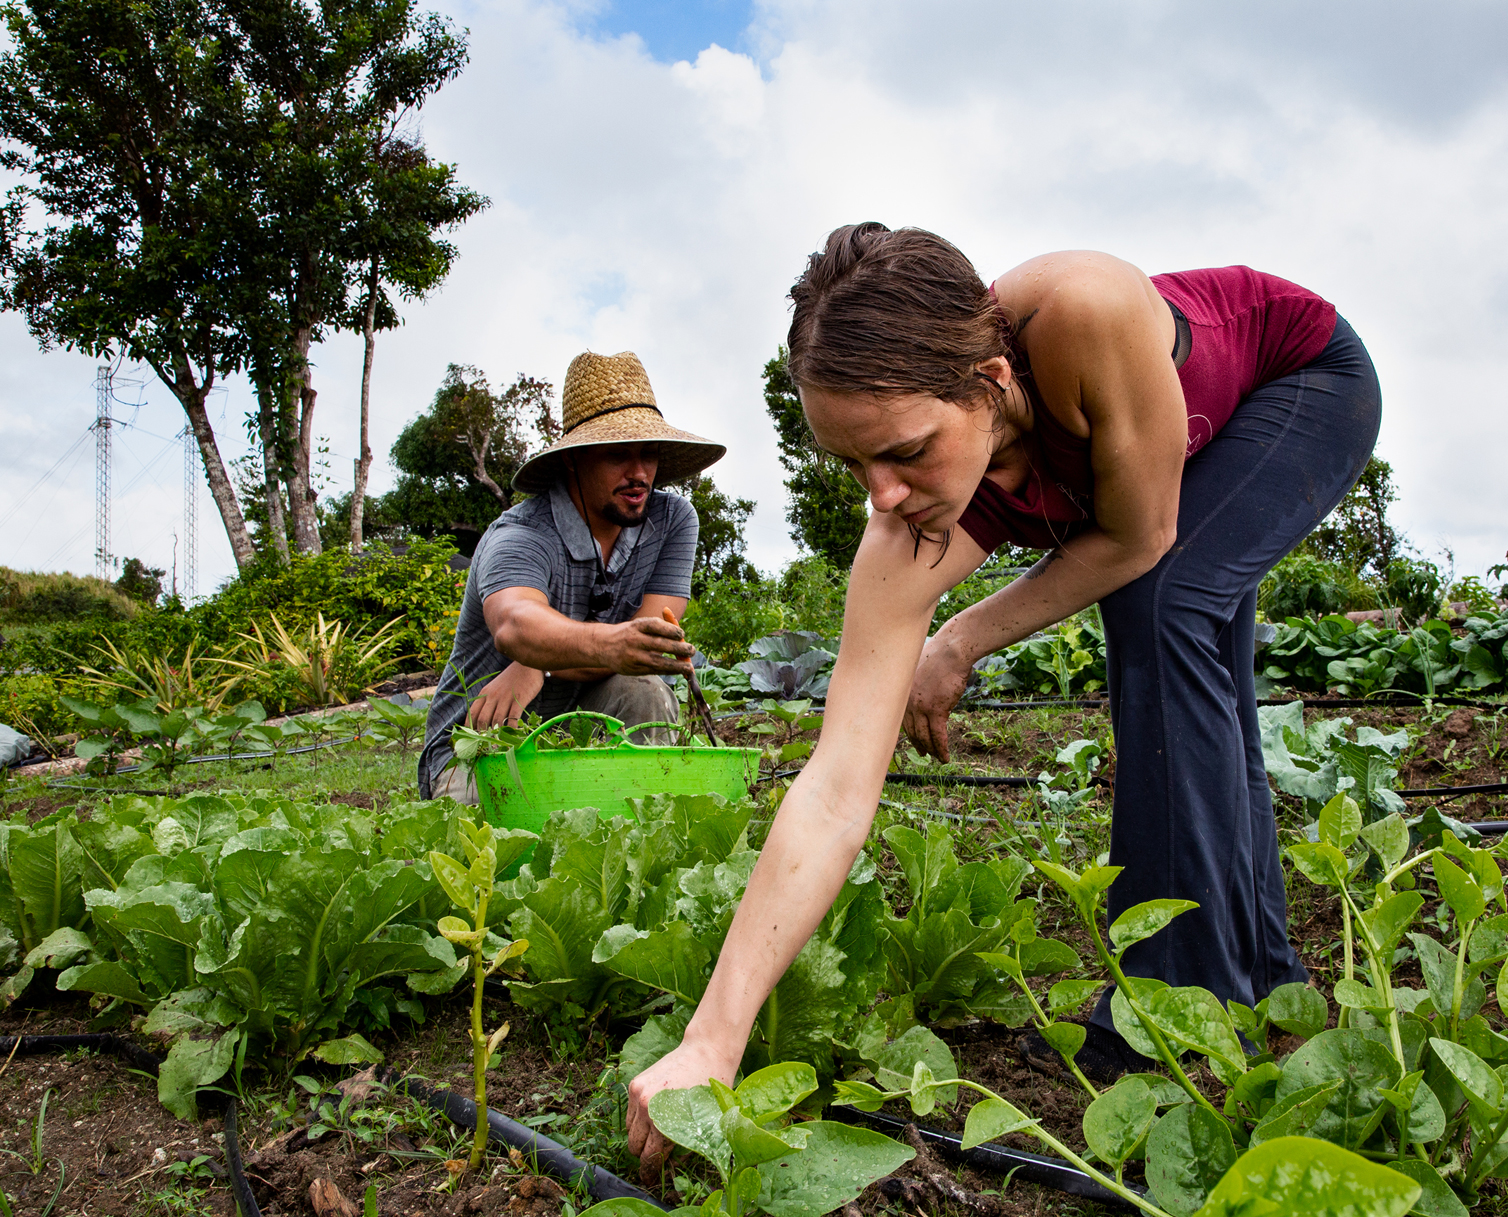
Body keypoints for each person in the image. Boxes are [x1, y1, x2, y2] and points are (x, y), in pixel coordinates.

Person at [625, 223, 1382, 1160]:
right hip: (1168, 467)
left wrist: (961, 636)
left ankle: (1183, 1009)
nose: (883, 495)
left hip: (1302, 384)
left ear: (988, 382)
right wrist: (712, 1040)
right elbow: (833, 787)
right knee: (1200, 674)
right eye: (853, 463)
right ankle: (1261, 978)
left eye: (903, 451)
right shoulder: (906, 515)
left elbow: (1141, 534)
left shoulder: (1081, 316)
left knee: (1162, 599)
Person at [417, 351, 724, 802]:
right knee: (506, 834)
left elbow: (647, 644)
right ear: (573, 461)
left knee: (644, 691)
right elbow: (515, 622)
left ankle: (634, 821)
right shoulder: (522, 535)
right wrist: (547, 652)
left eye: (649, 453)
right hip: (482, 744)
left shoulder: (672, 520)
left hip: (584, 727)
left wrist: (538, 663)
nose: (638, 473)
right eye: (618, 454)